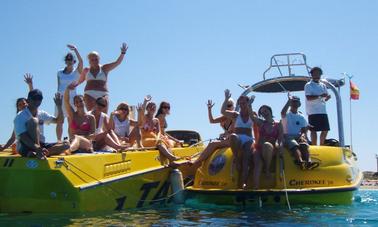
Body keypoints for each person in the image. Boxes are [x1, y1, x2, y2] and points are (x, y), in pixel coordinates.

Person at [14, 89, 68, 159]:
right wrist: (37, 147)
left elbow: (59, 121)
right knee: (34, 121)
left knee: (66, 144)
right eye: (34, 98)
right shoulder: (20, 116)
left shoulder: (42, 114)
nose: (37, 101)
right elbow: (23, 137)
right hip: (25, 145)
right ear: (28, 100)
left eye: (39, 98)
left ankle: (42, 153)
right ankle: (36, 152)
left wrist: (59, 106)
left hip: (41, 145)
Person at [74, 43, 128, 113]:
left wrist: (123, 53)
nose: (94, 61)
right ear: (89, 61)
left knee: (103, 117)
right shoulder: (86, 70)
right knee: (91, 116)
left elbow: (117, 62)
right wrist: (71, 86)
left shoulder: (104, 68)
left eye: (96, 59)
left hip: (103, 94)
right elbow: (79, 81)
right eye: (92, 60)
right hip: (89, 94)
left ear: (99, 59)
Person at [221, 89, 254, 189]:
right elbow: (222, 111)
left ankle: (243, 182)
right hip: (238, 138)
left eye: (245, 103)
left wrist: (250, 107)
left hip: (248, 139)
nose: (243, 105)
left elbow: (255, 121)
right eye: (241, 103)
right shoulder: (236, 114)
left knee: (246, 158)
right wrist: (226, 99)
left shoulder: (253, 113)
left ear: (248, 103)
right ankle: (236, 157)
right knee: (233, 136)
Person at [188, 99, 235, 168]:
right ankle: (200, 162)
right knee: (212, 144)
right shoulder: (224, 118)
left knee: (212, 144)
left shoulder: (235, 116)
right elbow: (212, 121)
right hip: (227, 139)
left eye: (229, 105)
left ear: (233, 107)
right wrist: (209, 109)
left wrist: (225, 134)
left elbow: (233, 131)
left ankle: (197, 162)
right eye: (226, 106)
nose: (227, 107)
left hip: (233, 140)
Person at [138, 95, 179, 166]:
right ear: (147, 109)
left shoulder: (156, 120)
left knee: (164, 142)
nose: (152, 108)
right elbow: (141, 113)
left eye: (154, 107)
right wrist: (145, 101)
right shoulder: (144, 117)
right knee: (159, 142)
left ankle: (171, 161)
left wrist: (158, 137)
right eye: (150, 106)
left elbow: (159, 132)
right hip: (144, 139)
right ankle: (171, 158)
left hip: (154, 138)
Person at [281, 95, 318, 170]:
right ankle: (300, 162)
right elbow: (282, 112)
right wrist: (288, 101)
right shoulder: (287, 115)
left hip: (299, 136)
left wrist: (303, 135)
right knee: (294, 145)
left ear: (299, 104)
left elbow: (304, 129)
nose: (295, 103)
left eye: (296, 102)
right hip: (288, 136)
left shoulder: (302, 116)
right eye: (293, 102)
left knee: (303, 144)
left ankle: (309, 162)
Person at [250, 105, 283, 189]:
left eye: (265, 111)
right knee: (258, 165)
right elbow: (251, 116)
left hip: (272, 149)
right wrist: (249, 104)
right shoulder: (261, 123)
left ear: (270, 110)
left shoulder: (278, 124)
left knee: (267, 145)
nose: (264, 113)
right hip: (259, 149)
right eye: (262, 112)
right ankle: (255, 188)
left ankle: (267, 169)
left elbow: (280, 138)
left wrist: (280, 147)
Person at [55, 44, 83, 142]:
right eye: (67, 59)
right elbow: (58, 85)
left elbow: (81, 62)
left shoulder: (76, 72)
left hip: (71, 98)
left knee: (70, 120)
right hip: (61, 98)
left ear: (73, 61)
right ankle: (59, 141)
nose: (69, 60)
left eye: (70, 59)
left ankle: (71, 140)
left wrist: (76, 50)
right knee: (60, 120)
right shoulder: (59, 72)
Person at [64, 85, 96, 153]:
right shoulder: (72, 115)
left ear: (84, 101)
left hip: (86, 143)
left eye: (81, 101)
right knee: (67, 142)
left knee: (77, 138)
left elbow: (93, 135)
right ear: (75, 104)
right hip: (73, 142)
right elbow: (66, 101)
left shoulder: (91, 117)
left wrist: (81, 137)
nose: (79, 103)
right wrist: (67, 89)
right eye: (77, 102)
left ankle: (69, 151)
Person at [304, 67, 331, 145]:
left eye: (318, 74)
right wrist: (320, 96)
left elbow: (324, 98)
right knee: (313, 130)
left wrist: (327, 97)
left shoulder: (323, 85)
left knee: (325, 129)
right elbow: (308, 97)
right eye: (315, 74)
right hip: (313, 111)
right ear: (312, 75)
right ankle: (314, 145)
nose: (317, 75)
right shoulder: (308, 85)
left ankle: (321, 145)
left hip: (322, 111)